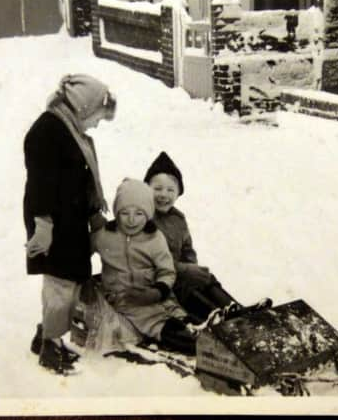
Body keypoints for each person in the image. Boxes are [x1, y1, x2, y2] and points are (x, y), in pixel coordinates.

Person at [24, 73, 116, 375]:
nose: (96, 125)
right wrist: (43, 226)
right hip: (51, 221)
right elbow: (39, 185)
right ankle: (50, 347)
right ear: (84, 107)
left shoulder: (70, 129)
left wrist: (94, 214)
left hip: (71, 219)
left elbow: (83, 179)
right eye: (97, 118)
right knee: (59, 283)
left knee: (72, 279)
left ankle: (44, 336)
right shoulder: (46, 132)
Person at [91, 178, 197, 355]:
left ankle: (203, 332)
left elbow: (167, 271)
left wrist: (158, 291)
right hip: (126, 298)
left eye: (139, 213)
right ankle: (192, 344)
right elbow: (78, 252)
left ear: (148, 214)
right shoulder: (104, 236)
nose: (131, 220)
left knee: (179, 314)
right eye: (125, 213)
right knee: (155, 322)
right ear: (117, 212)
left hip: (154, 293)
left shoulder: (155, 238)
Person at [144, 152, 242, 323]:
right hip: (158, 279)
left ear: (178, 193)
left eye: (170, 190)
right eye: (157, 189)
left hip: (179, 272)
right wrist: (186, 271)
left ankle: (235, 309)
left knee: (205, 278)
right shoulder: (144, 218)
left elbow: (187, 249)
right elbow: (149, 261)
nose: (163, 195)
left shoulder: (178, 219)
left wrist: (192, 268)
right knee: (184, 287)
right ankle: (214, 315)